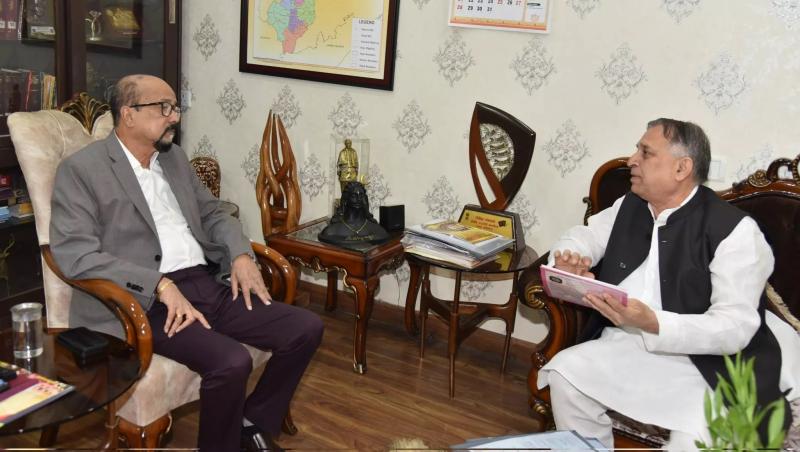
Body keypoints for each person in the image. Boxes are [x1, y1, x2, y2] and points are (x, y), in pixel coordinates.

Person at [49, 74, 323, 452]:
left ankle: (251, 425)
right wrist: (158, 284)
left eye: (175, 107)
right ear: (128, 114)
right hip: (144, 302)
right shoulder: (81, 170)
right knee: (231, 362)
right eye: (163, 108)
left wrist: (240, 254)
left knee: (304, 328)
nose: (175, 117)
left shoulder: (173, 158)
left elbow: (214, 213)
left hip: (205, 284)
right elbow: (76, 255)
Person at [539, 118, 800, 450]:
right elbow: (585, 235)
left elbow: (734, 327)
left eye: (645, 152)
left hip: (713, 361)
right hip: (632, 341)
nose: (632, 159)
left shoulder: (736, 232)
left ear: (681, 168)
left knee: (698, 435)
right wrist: (571, 257)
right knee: (566, 376)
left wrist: (654, 322)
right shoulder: (631, 204)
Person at [318, 181, 389, 246]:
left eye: (361, 195)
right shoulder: (331, 231)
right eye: (354, 196)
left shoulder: (377, 230)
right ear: (345, 200)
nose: (358, 199)